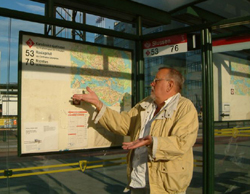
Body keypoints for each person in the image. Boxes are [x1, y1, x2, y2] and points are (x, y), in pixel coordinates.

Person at [72, 67, 199, 194]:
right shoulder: (147, 103)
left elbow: (182, 142)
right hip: (138, 181)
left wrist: (152, 142)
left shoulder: (185, 107)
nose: (152, 84)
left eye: (156, 80)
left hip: (165, 186)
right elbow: (124, 123)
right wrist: (98, 105)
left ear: (169, 85)